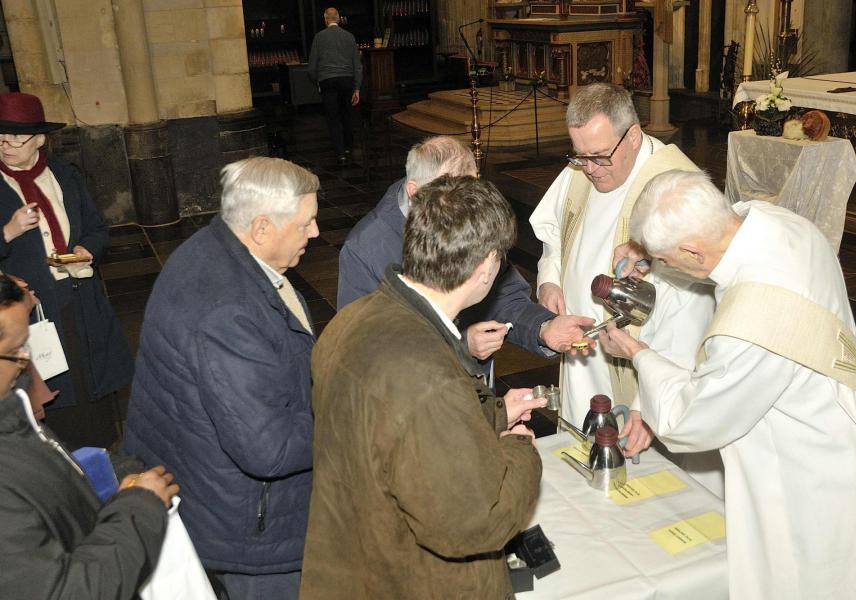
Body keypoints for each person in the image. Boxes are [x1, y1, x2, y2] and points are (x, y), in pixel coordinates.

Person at [600, 170, 856, 599]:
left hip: (812, 475)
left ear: (691, 249)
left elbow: (694, 416)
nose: (663, 268)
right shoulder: (776, 223)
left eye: (666, 260)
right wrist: (655, 257)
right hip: (849, 425)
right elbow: (716, 262)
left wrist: (638, 354)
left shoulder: (752, 320)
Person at [301, 175, 543, 598]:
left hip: (355, 560)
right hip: (411, 579)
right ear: (486, 266)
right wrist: (521, 450)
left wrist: (496, 412)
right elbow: (473, 522)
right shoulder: (427, 375)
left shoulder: (354, 318)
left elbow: (398, 432)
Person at [124, 157, 319, 600]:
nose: (315, 233)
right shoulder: (228, 311)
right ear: (263, 228)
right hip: (248, 523)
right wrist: (347, 416)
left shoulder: (210, 248)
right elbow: (268, 448)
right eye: (306, 223)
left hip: (209, 488)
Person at [529, 83, 716, 463]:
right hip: (581, 348)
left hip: (643, 354)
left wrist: (651, 399)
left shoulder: (677, 185)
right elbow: (554, 234)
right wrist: (549, 277)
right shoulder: (583, 166)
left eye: (599, 157)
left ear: (632, 136)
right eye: (580, 156)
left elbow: (692, 305)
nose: (589, 169)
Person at [339, 135, 594, 372]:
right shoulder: (365, 249)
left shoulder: (469, 217)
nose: (467, 208)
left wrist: (543, 327)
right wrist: (459, 345)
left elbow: (504, 296)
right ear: (415, 192)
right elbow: (363, 351)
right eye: (452, 193)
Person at [0, 273, 179, 599]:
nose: (27, 360)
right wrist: (138, 509)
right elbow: (66, 591)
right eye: (15, 350)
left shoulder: (9, 411)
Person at [0, 92, 133, 450]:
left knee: (91, 381)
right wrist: (8, 232)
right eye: (1, 136)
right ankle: (61, 459)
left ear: (41, 139)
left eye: (17, 137)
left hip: (79, 299)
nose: (7, 144)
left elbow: (97, 228)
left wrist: (87, 249)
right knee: (53, 390)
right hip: (31, 309)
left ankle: (104, 456)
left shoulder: (64, 175)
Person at [307, 7, 362, 165]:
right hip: (346, 80)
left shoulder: (319, 37)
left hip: (327, 80)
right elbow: (357, 65)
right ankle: (349, 147)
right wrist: (357, 87)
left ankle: (340, 153)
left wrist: (318, 82)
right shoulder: (349, 37)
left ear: (325, 20)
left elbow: (311, 68)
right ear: (338, 19)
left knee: (333, 118)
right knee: (347, 114)